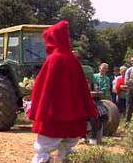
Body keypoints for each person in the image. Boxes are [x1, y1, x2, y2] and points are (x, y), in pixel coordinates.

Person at [27, 21, 98, 163]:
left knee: (43, 151)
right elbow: (82, 88)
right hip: (73, 117)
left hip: (53, 118)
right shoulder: (73, 60)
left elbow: (42, 87)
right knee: (67, 151)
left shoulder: (53, 59)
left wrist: (35, 105)